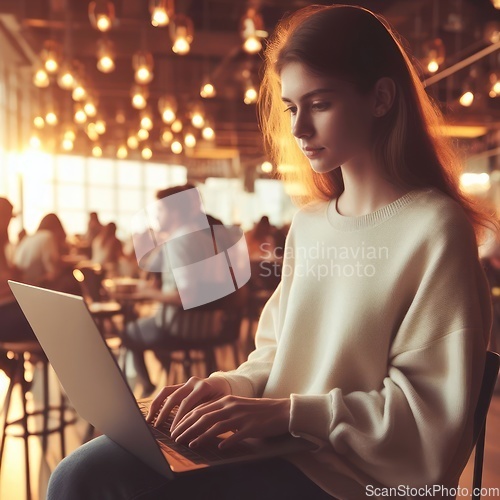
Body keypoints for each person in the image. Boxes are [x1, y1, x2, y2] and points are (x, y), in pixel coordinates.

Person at [47, 5, 496, 499]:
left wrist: (286, 413)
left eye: (320, 103)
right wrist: (228, 388)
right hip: (280, 453)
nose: (299, 128)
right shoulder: (309, 224)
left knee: (93, 479)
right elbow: (278, 356)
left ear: (381, 98)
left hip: (359, 483)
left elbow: (426, 421)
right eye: (291, 107)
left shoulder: (434, 229)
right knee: (85, 470)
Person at [120, 183, 230, 398]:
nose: (156, 217)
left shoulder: (179, 242)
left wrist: (147, 294)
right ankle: (173, 382)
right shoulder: (204, 238)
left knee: (129, 332)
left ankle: (146, 389)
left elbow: (185, 296)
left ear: (175, 211)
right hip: (210, 324)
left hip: (182, 327)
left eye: (160, 210)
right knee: (146, 328)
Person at [0, 197, 37, 375]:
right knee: (45, 320)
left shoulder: (4, 244)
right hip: (4, 314)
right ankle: (18, 368)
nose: (8, 224)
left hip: (6, 309)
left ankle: (14, 369)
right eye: (7, 218)